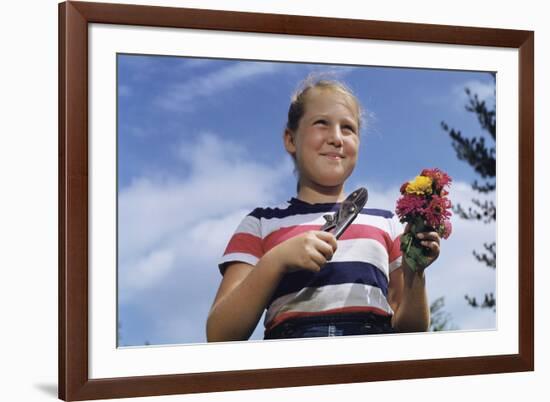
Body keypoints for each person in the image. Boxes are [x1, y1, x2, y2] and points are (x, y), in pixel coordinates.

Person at [206, 77, 441, 342]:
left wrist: (415, 274)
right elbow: (219, 335)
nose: (336, 138)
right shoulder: (260, 223)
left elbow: (412, 332)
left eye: (348, 128)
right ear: (290, 139)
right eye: (321, 123)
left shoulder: (387, 223)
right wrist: (276, 261)